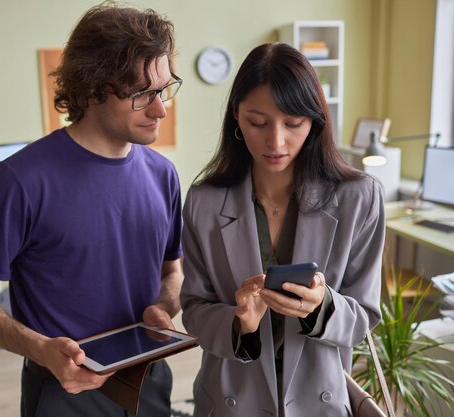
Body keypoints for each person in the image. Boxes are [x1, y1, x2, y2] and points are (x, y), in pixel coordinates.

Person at [0, 4, 184, 417]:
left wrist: (164, 307)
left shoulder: (164, 175)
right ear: (93, 89)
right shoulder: (19, 180)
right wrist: (41, 348)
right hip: (64, 391)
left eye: (164, 88)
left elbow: (172, 271)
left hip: (149, 378)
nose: (160, 108)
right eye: (141, 94)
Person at [180, 42, 385, 417]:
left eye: (293, 124)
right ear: (236, 118)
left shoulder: (360, 197)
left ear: (315, 121)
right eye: (257, 122)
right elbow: (194, 309)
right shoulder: (203, 201)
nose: (276, 142)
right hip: (230, 398)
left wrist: (321, 307)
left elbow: (365, 316)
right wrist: (239, 322)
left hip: (318, 399)